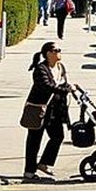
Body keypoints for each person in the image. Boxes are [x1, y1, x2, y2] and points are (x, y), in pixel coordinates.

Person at [23, 41, 71, 180]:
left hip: (55, 110)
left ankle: (44, 163)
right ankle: (29, 171)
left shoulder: (60, 67)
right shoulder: (41, 69)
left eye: (59, 50)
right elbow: (46, 86)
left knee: (57, 136)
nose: (59, 52)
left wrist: (70, 87)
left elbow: (63, 83)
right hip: (39, 109)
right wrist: (64, 90)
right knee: (34, 140)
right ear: (48, 53)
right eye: (56, 50)